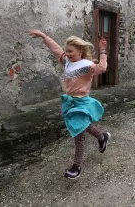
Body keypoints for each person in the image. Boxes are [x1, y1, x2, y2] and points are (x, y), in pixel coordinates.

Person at [29, 30, 111, 180]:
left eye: (70, 51)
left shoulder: (87, 65)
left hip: (82, 103)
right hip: (70, 102)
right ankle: (102, 137)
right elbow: (56, 50)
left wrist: (103, 51)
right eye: (66, 51)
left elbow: (102, 68)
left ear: (80, 51)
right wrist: (44, 37)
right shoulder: (67, 62)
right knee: (84, 126)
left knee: (78, 134)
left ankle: (76, 166)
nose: (67, 54)